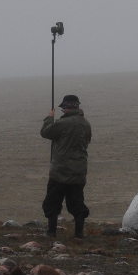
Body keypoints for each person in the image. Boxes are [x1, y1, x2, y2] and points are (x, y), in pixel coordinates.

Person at [40, 94, 92, 238]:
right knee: (77, 203)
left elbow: (45, 132)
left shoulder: (63, 124)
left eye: (63, 108)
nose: (62, 111)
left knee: (52, 202)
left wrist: (50, 117)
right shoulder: (86, 123)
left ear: (68, 107)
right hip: (79, 172)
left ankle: (51, 232)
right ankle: (79, 234)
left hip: (60, 172)